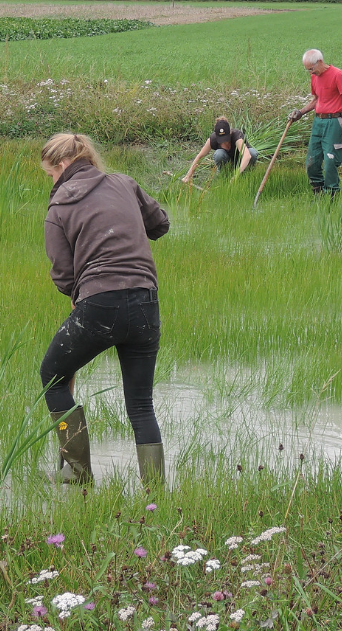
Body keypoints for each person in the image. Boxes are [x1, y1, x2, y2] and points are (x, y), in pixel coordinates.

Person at [38, 132, 170, 485]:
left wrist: (79, 290)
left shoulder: (58, 207)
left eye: (50, 174)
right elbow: (160, 224)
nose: (51, 181)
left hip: (98, 304)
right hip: (145, 301)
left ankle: (77, 477)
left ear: (62, 165)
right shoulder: (124, 183)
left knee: (52, 377)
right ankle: (155, 495)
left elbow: (63, 275)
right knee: (141, 404)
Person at [288, 49, 342, 196]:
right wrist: (300, 112)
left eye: (311, 69)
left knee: (330, 161)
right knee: (311, 162)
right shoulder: (314, 77)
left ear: (319, 62)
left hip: (333, 122)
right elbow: (316, 99)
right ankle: (318, 192)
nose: (311, 73)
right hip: (318, 122)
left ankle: (332, 194)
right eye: (307, 70)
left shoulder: (338, 75)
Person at [181, 116, 260, 183]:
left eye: (226, 139)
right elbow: (199, 157)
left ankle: (246, 174)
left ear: (230, 133)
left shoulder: (237, 136)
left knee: (252, 153)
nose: (224, 142)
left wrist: (236, 175)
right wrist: (188, 176)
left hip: (240, 161)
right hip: (226, 161)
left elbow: (247, 156)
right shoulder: (212, 139)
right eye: (221, 140)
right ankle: (224, 175)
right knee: (219, 154)